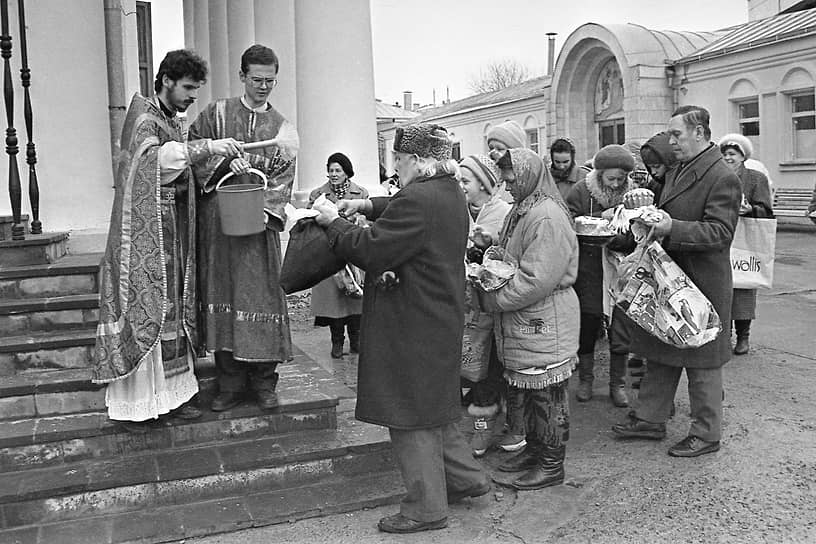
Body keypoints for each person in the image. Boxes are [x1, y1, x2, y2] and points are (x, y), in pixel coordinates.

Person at [312, 123, 489, 534]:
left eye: (400, 160)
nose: (396, 167)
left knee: (410, 413)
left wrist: (333, 222)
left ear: (418, 160)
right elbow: (404, 207)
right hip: (437, 317)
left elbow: (371, 249)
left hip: (412, 321)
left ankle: (426, 508)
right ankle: (467, 480)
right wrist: (367, 205)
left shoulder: (419, 198)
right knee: (435, 409)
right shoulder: (448, 190)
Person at [93, 50, 242, 431]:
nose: (193, 96)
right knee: (149, 313)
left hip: (172, 237)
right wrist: (207, 147)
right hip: (144, 243)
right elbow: (156, 162)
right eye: (188, 87)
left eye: (196, 89)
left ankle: (173, 398)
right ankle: (140, 406)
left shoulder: (171, 121)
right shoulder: (144, 117)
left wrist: (223, 161)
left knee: (172, 313)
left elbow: (187, 171)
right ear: (166, 81)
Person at [613, 105, 741, 458]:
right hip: (671, 277)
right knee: (662, 351)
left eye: (676, 134)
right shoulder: (681, 168)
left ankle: (706, 433)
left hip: (702, 284)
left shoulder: (722, 176)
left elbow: (720, 233)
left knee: (703, 363)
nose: (671, 141)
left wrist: (672, 228)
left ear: (699, 133)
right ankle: (650, 419)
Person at [189, 44, 298, 412]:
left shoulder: (281, 127)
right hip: (221, 228)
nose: (263, 87)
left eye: (270, 81)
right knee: (224, 296)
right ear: (242, 76)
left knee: (261, 298)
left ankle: (265, 382)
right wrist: (223, 163)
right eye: (256, 80)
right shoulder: (216, 114)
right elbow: (193, 151)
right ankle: (230, 384)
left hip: (259, 232)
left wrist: (265, 210)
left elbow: (284, 178)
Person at [476, 148, 579, 490]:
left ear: (527, 177)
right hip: (530, 320)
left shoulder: (546, 216)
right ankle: (536, 452)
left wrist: (492, 300)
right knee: (534, 395)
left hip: (543, 319)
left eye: (510, 180)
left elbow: (537, 279)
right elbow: (521, 255)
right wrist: (491, 245)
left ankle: (551, 464)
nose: (506, 187)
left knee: (548, 397)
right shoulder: (525, 207)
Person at [565, 145, 635, 407]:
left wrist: (619, 238)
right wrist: (598, 220)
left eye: (621, 179)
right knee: (588, 324)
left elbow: (639, 230)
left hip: (620, 269)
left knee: (620, 327)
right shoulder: (581, 191)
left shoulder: (632, 195)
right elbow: (568, 222)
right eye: (611, 178)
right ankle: (586, 380)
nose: (616, 184)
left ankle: (618, 384)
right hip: (588, 269)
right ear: (599, 173)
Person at [458, 154, 512, 457]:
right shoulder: (459, 210)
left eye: (466, 180)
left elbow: (510, 256)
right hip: (466, 304)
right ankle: (481, 424)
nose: (461, 185)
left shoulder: (502, 213)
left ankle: (492, 425)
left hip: (494, 304)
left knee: (492, 367)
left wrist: (487, 246)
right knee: (471, 363)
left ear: (483, 183)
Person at [308, 153, 368, 359]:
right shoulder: (318, 194)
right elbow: (308, 220)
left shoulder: (361, 193)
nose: (333, 174)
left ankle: (356, 339)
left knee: (356, 300)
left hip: (354, 254)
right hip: (329, 255)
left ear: (346, 172)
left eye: (338, 171)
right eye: (331, 170)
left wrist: (357, 220)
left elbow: (368, 220)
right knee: (335, 304)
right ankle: (337, 341)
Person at [718, 133, 773, 356]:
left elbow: (767, 210)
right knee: (722, 289)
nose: (728, 158)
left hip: (746, 243)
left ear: (743, 156)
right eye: (724, 154)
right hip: (722, 238)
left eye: (732, 154)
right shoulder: (717, 177)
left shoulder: (756, 178)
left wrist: (751, 210)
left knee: (743, 289)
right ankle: (725, 336)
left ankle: (743, 336)